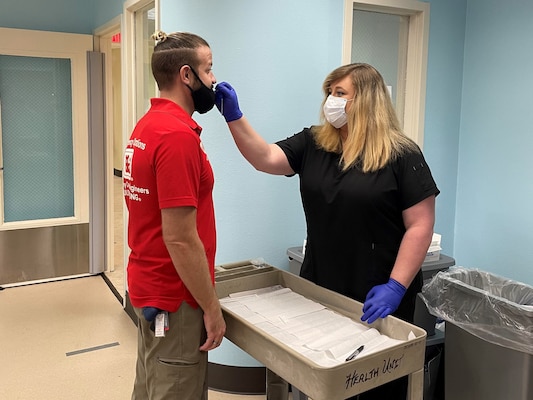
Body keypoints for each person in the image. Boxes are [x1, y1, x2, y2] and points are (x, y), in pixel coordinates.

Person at [214, 63, 439, 400]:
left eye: (339, 94)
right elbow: (264, 158)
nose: (330, 102)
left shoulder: (402, 155)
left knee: (376, 385)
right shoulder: (315, 143)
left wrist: (395, 286)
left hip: (378, 292)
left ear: (365, 101)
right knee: (322, 379)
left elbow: (420, 224)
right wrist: (234, 116)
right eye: (329, 93)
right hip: (321, 283)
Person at [123, 31, 226, 400]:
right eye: (209, 70)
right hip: (176, 297)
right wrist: (211, 309)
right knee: (175, 388)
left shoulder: (148, 125)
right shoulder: (176, 136)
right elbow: (180, 238)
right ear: (187, 75)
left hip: (150, 283)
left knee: (152, 384)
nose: (213, 81)